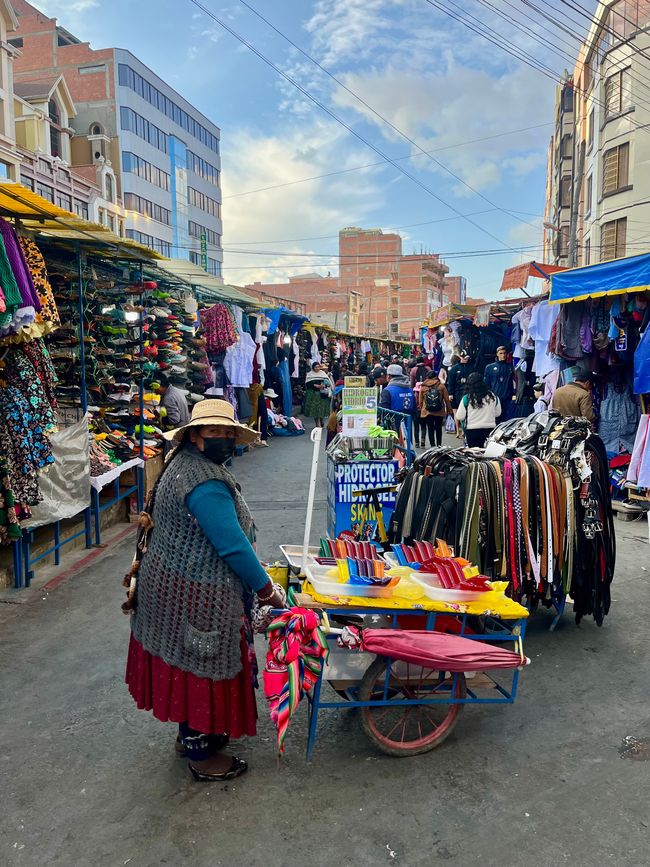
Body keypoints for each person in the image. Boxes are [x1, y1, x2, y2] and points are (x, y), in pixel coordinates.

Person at [124, 399, 285, 783]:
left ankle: (192, 737)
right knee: (203, 667)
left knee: (186, 662)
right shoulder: (206, 484)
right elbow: (232, 546)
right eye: (215, 432)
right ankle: (200, 753)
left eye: (229, 433)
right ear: (195, 436)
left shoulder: (181, 464)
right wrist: (267, 591)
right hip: (197, 594)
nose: (224, 440)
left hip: (172, 585)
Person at [456, 372, 501, 448]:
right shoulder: (493, 396)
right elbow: (498, 413)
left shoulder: (467, 398)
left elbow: (459, 416)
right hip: (490, 430)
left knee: (474, 456)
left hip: (472, 431)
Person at [419, 370, 452, 448]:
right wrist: (449, 409)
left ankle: (432, 446)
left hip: (427, 411)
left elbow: (420, 401)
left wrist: (422, 409)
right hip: (439, 411)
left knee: (430, 429)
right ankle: (439, 445)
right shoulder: (441, 386)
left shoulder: (423, 387)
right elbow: (446, 399)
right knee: (438, 428)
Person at [484, 346, 514, 423]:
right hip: (495, 398)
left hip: (507, 398)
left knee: (506, 420)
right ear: (497, 354)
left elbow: (514, 382)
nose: (503, 355)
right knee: (495, 420)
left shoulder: (510, 367)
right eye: (500, 353)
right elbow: (487, 384)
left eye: (504, 353)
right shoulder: (489, 367)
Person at [447, 351, 471, 438]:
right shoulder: (454, 369)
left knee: (466, 413)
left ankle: (464, 431)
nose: (466, 359)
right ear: (460, 357)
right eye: (464, 358)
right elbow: (451, 382)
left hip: (467, 393)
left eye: (467, 358)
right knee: (456, 413)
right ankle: (457, 430)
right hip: (457, 393)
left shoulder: (471, 367)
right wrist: (450, 393)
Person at [304, 361, 333, 427]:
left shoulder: (322, 374)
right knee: (315, 410)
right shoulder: (310, 374)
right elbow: (307, 384)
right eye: (315, 367)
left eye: (318, 367)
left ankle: (321, 420)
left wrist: (323, 386)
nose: (317, 368)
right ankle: (317, 424)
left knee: (321, 409)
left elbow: (328, 383)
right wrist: (315, 385)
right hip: (313, 395)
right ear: (313, 368)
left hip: (322, 395)